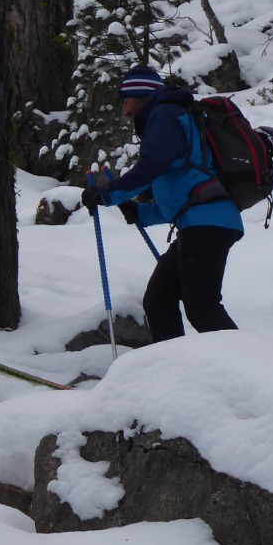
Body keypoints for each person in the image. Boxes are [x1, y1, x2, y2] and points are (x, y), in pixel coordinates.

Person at [81, 65, 243, 342]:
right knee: (159, 301)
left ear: (140, 94)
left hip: (206, 225)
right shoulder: (170, 116)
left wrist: (110, 193)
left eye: (125, 102)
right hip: (199, 223)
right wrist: (140, 212)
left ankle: (252, 370)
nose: (125, 112)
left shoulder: (165, 113)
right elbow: (181, 193)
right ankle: (176, 371)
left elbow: (152, 166)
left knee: (202, 307)